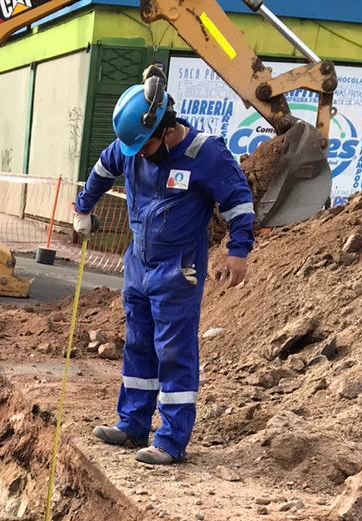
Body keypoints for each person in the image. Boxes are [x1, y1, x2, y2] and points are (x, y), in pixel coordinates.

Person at [73, 67, 254, 466]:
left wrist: (238, 252)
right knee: (138, 342)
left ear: (164, 128)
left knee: (173, 351)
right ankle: (132, 423)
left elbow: (239, 204)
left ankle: (170, 441)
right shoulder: (133, 144)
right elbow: (104, 168)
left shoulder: (206, 154)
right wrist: (83, 206)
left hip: (178, 267)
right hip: (138, 260)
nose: (134, 155)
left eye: (143, 147)